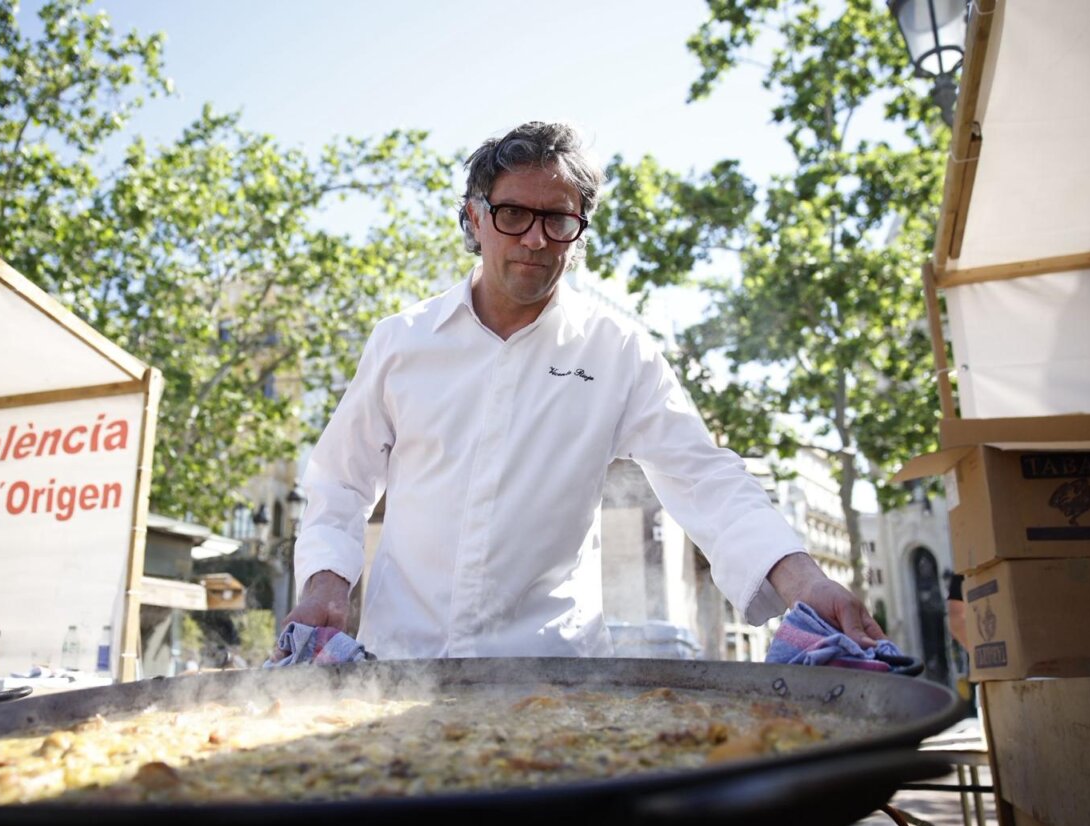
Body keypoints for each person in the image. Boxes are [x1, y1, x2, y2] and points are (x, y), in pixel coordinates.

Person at [283, 121, 885, 659]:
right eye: (513, 214)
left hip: (554, 680)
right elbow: (341, 479)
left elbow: (705, 478)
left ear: (580, 232)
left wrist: (806, 582)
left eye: (559, 221)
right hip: (401, 662)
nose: (536, 239)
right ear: (473, 218)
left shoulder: (618, 350)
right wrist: (325, 583)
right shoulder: (400, 343)